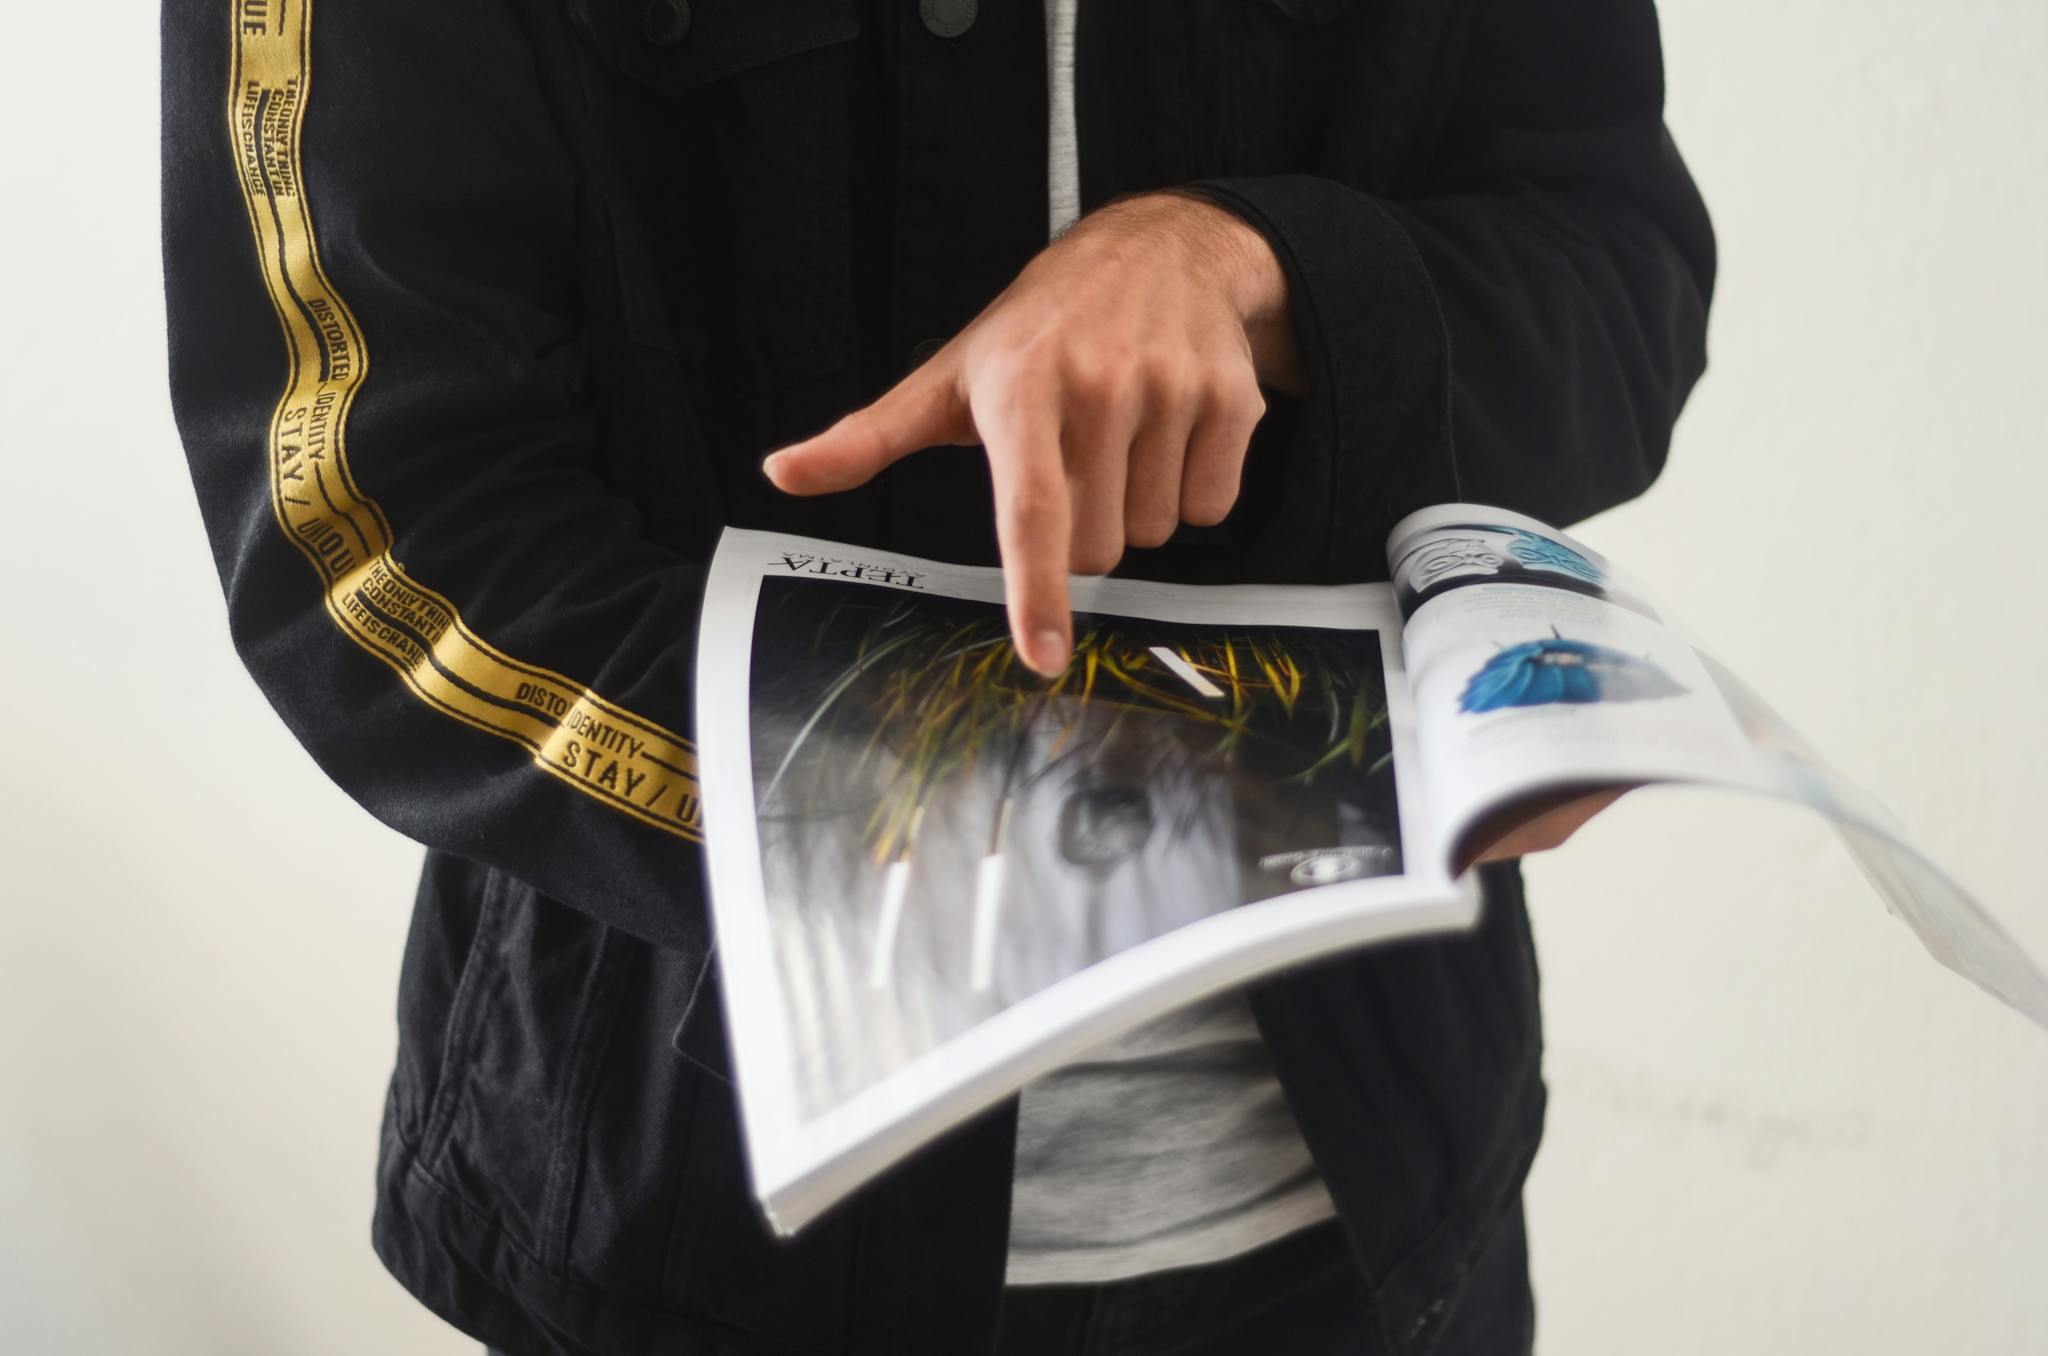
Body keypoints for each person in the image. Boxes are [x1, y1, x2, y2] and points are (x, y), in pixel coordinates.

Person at [160, 0, 1712, 1350]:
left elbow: (1622, 277)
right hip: (697, 1234)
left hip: (1369, 1216)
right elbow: (373, 533)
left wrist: (1250, 264)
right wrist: (1270, 791)